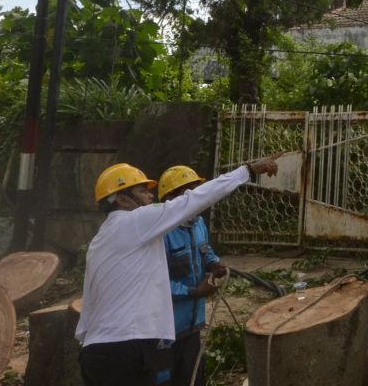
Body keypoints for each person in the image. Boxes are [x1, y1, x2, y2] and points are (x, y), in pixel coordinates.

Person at [75, 156, 278, 386]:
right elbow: (195, 199)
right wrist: (246, 171)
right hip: (128, 350)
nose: (151, 196)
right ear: (122, 199)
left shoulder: (99, 241)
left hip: (95, 355)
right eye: (142, 191)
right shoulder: (136, 222)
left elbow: (89, 299)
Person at [154, 165, 225, 386]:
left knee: (193, 378)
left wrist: (214, 263)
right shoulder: (160, 234)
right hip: (166, 332)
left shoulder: (198, 223)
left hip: (193, 326)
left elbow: (205, 250)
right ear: (171, 198)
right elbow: (156, 284)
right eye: (190, 193)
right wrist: (195, 291)